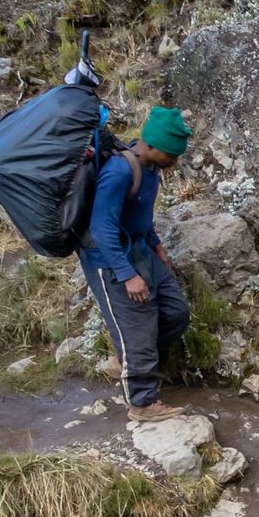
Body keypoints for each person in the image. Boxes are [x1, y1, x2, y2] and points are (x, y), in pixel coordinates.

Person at [83, 106, 193, 422]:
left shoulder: (152, 170)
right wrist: (127, 274)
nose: (174, 163)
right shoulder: (119, 171)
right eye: (171, 156)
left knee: (175, 312)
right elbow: (102, 226)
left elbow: (140, 213)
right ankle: (143, 403)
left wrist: (157, 246)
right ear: (152, 146)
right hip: (109, 258)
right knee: (138, 326)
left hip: (141, 248)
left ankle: (132, 363)